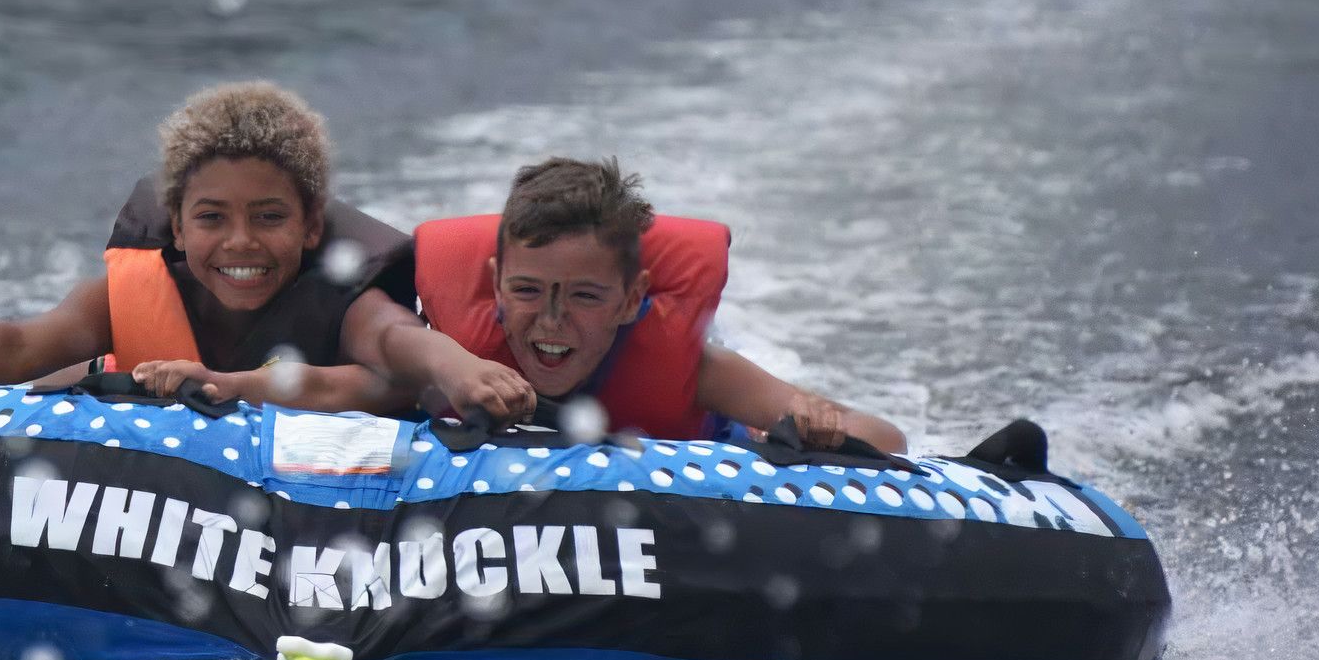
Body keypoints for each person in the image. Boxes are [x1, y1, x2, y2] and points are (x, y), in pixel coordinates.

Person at [0, 81, 417, 411]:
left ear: (311, 226)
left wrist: (237, 386)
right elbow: (22, 343)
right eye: (211, 218)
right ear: (178, 228)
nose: (241, 242)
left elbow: (395, 378)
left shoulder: (346, 304)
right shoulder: (133, 296)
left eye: (269, 217)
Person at [351, 156, 907, 452]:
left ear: (631, 299)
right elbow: (372, 331)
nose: (551, 319)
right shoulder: (459, 355)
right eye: (526, 291)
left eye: (585, 296)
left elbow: (888, 440)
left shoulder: (698, 370)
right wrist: (454, 365)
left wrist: (820, 424)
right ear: (496, 284)